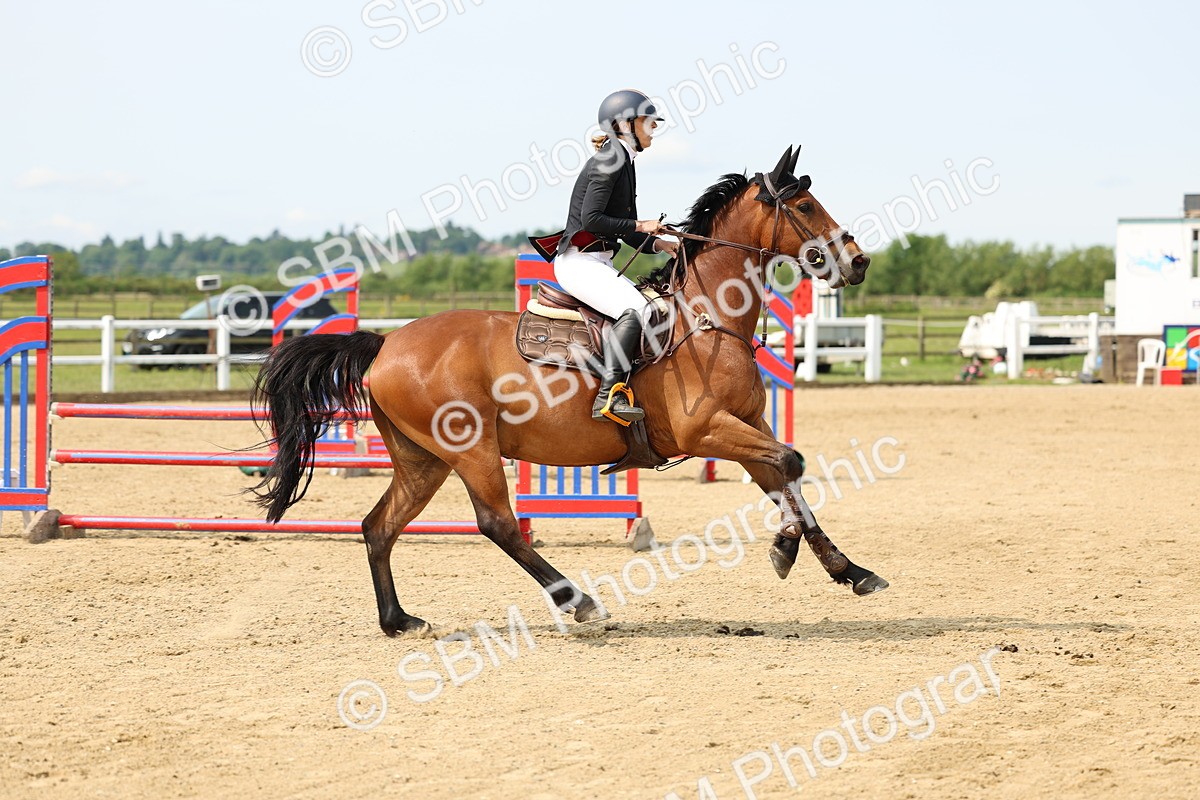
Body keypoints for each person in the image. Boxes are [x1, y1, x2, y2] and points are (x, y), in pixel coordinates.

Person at [552, 89, 680, 425]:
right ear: (625, 124)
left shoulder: (623, 159)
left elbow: (623, 229)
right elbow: (592, 219)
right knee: (637, 310)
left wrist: (657, 244)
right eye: (647, 122)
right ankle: (608, 396)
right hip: (579, 262)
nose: (652, 128)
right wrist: (642, 223)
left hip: (596, 260)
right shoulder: (612, 159)